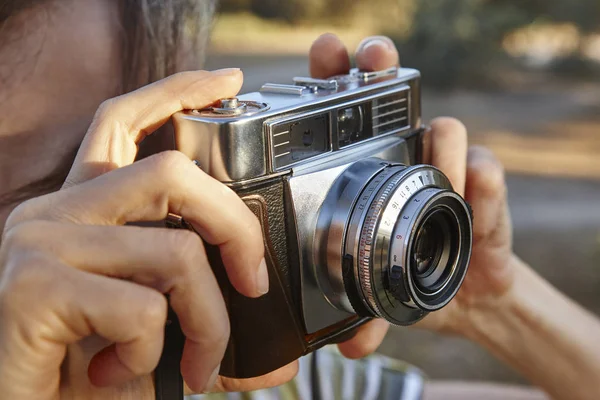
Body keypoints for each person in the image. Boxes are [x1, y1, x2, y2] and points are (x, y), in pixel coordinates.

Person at [0, 1, 599, 399]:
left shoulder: (290, 378)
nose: (161, 201)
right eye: (70, 175)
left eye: (177, 140)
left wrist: (496, 304)